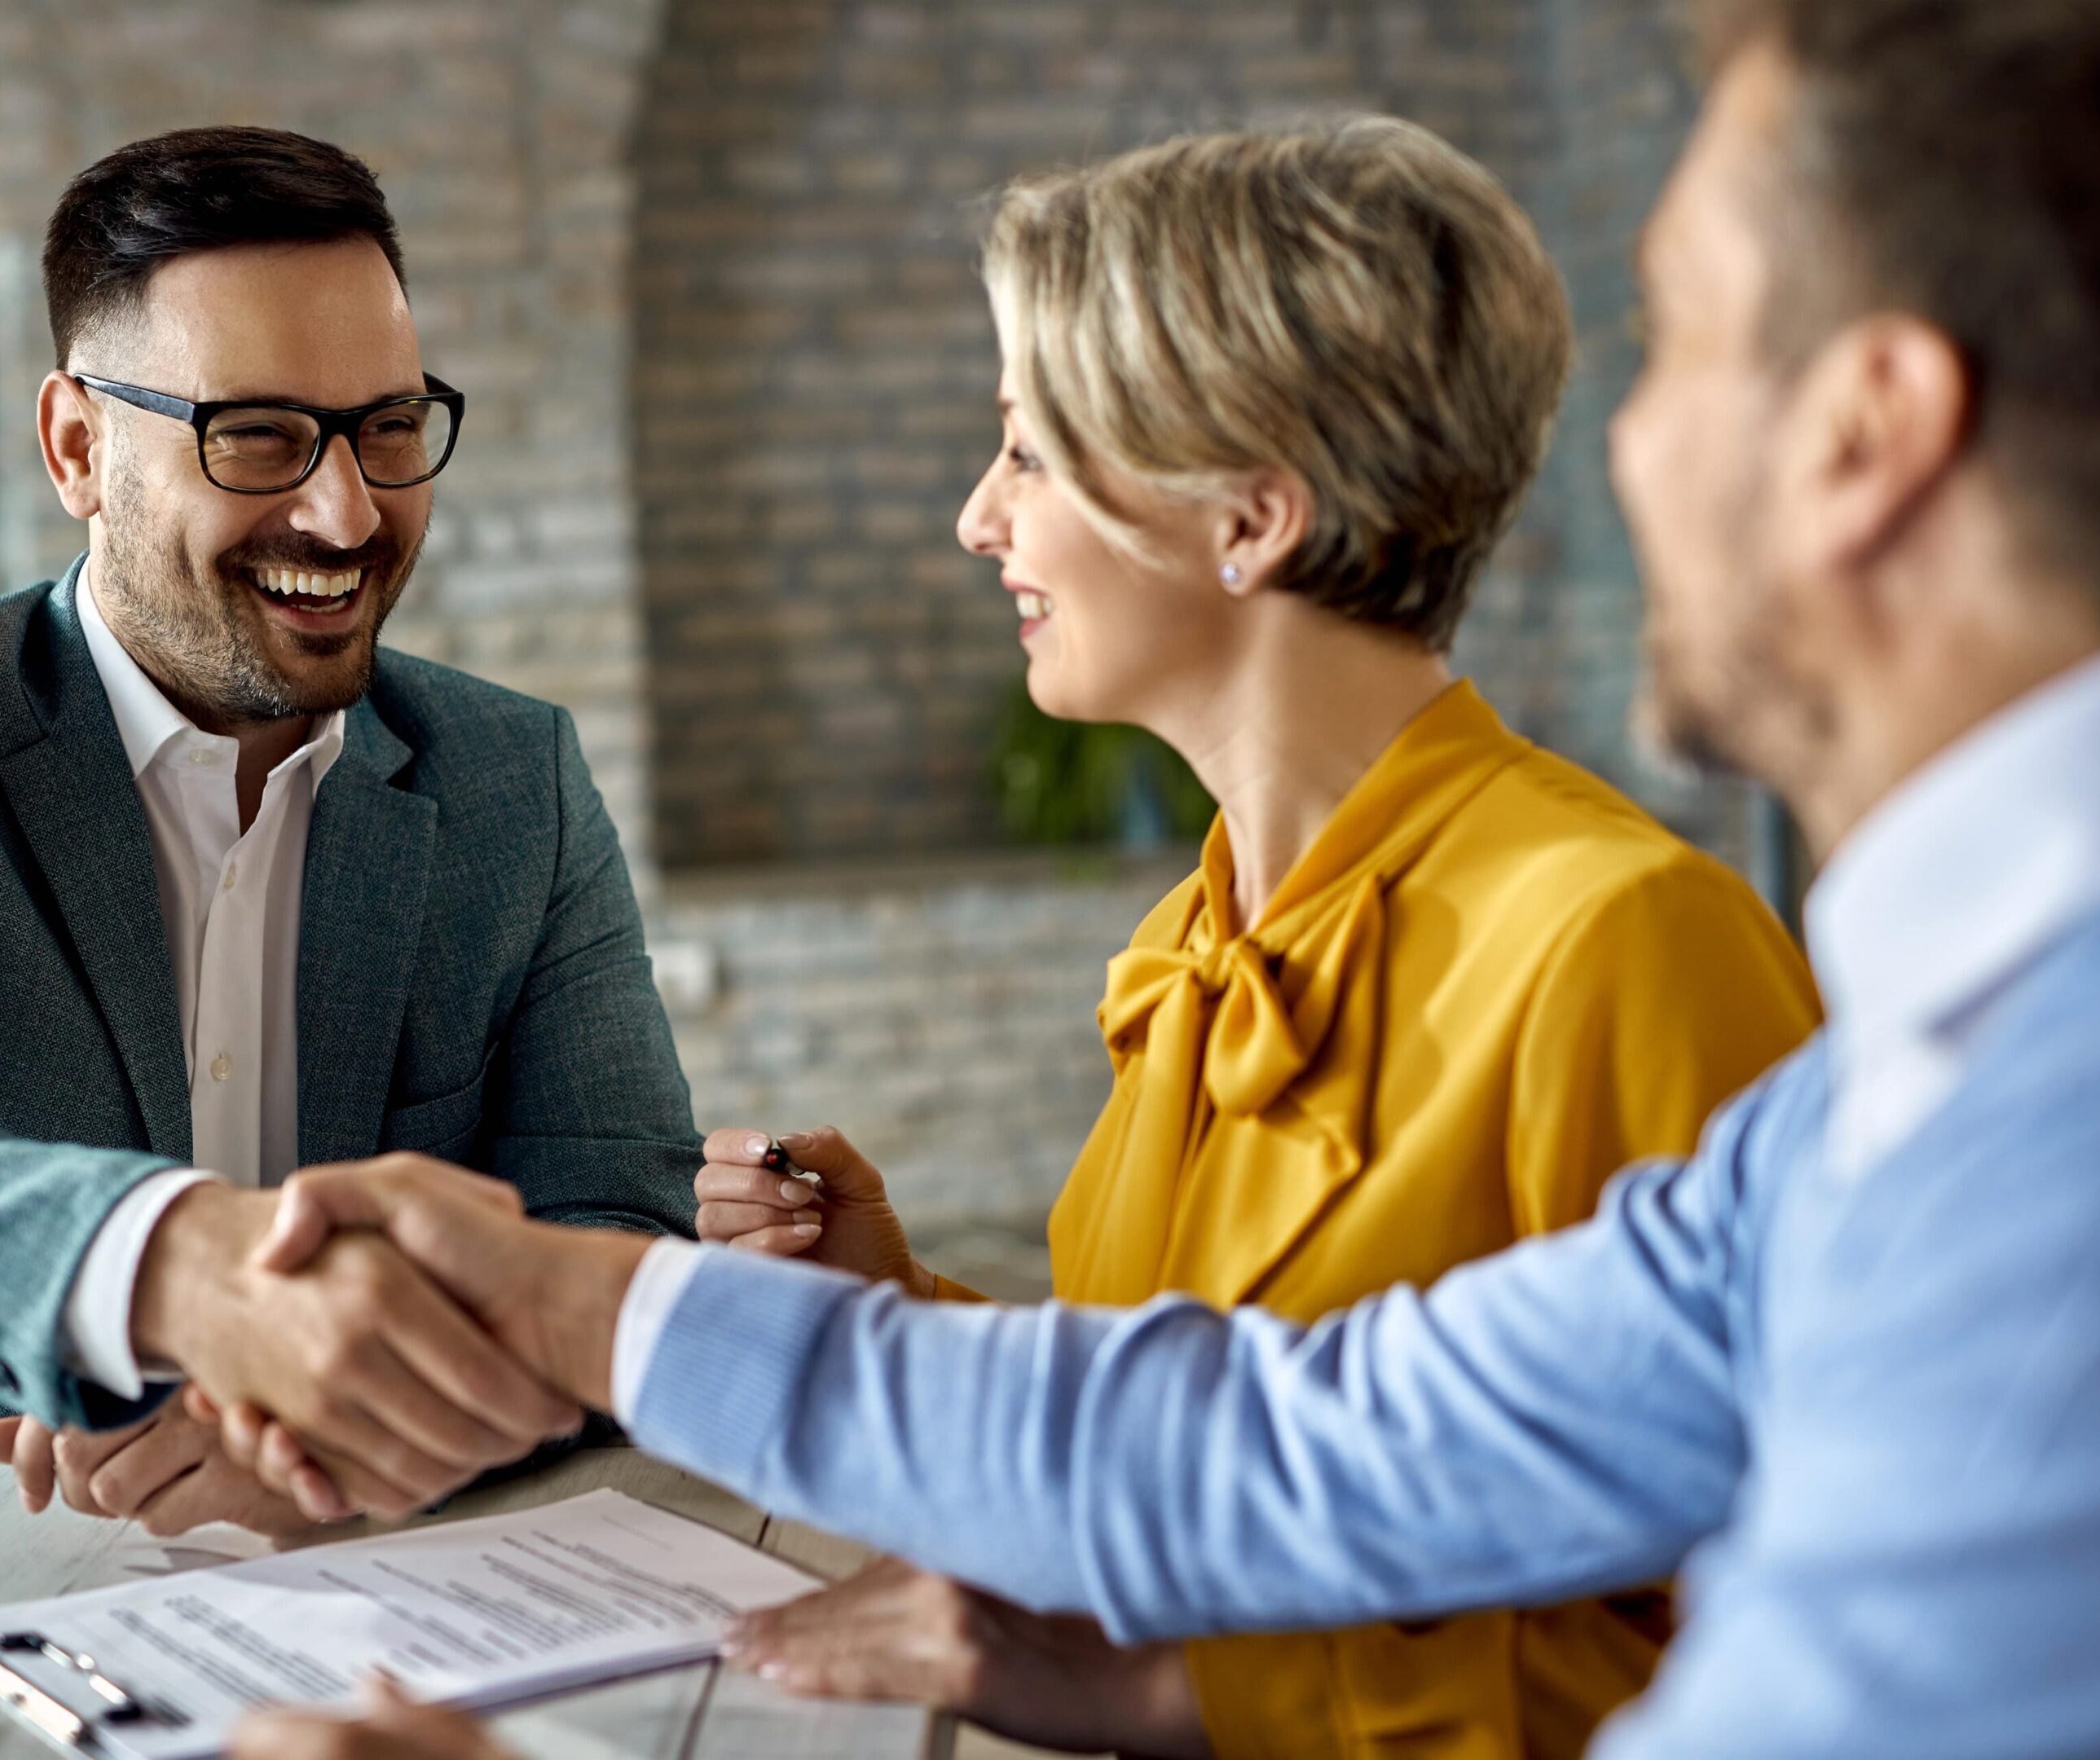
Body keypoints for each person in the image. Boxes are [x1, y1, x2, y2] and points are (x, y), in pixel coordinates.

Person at [207, 0, 2100, 1753]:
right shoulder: (1863, 1080)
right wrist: (689, 1306)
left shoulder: (1690, 962)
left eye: (1683, 335)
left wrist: (1154, 1683)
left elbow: (1667, 1640)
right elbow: (1280, 1445)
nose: (1616, 443)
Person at [680, 119, 1816, 1758]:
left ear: (1249, 520)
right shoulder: (1202, 937)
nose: (976, 519)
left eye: (1029, 450)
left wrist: (1181, 1697)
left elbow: (1779, 1647)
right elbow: (1216, 1448)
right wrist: (898, 1316)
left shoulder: (1629, 940)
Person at [0, 126, 699, 1537]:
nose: (346, 510)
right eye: (257, 435)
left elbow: (617, 1231)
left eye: (387, 426)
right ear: (79, 447)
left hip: (348, 1576)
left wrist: (345, 1433)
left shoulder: (518, 777)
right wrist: (183, 1277)